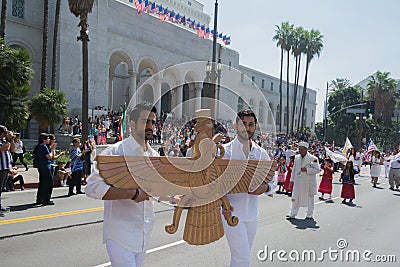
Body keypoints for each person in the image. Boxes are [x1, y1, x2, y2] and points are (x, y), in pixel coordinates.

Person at [85, 102, 159, 267]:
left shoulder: (154, 155)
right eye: (145, 121)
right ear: (132, 124)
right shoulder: (115, 153)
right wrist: (132, 194)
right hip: (120, 235)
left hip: (144, 234)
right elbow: (92, 187)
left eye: (153, 122)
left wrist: (176, 197)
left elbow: (156, 190)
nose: (150, 126)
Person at [221, 109, 276, 267]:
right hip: (230, 213)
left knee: (240, 257)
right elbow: (215, 183)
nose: (247, 128)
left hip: (252, 214)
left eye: (250, 124)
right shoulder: (225, 152)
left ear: (255, 126)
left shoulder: (261, 153)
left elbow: (273, 177)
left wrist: (264, 188)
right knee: (243, 260)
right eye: (243, 124)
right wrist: (221, 205)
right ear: (235, 125)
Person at [287, 141, 321, 220]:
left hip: (308, 181)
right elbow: (294, 169)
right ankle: (293, 213)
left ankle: (309, 214)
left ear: (306, 149)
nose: (300, 151)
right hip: (298, 181)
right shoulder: (296, 158)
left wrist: (307, 170)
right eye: (299, 149)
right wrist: (292, 180)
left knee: (310, 198)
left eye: (302, 149)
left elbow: (317, 169)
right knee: (295, 197)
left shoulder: (313, 158)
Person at [35, 133, 57, 205]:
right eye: (47, 139)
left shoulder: (39, 146)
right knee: (49, 184)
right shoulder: (44, 146)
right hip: (45, 167)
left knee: (42, 183)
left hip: (41, 167)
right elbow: (49, 157)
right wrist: (52, 149)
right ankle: (46, 200)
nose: (49, 140)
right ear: (43, 140)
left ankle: (40, 199)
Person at [0, 125, 15, 216]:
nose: (7, 133)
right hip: (0, 168)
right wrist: (9, 140)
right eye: (5, 132)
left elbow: (12, 150)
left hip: (5, 167)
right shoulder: (2, 142)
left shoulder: (5, 141)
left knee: (1, 188)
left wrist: (12, 140)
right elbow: (3, 149)